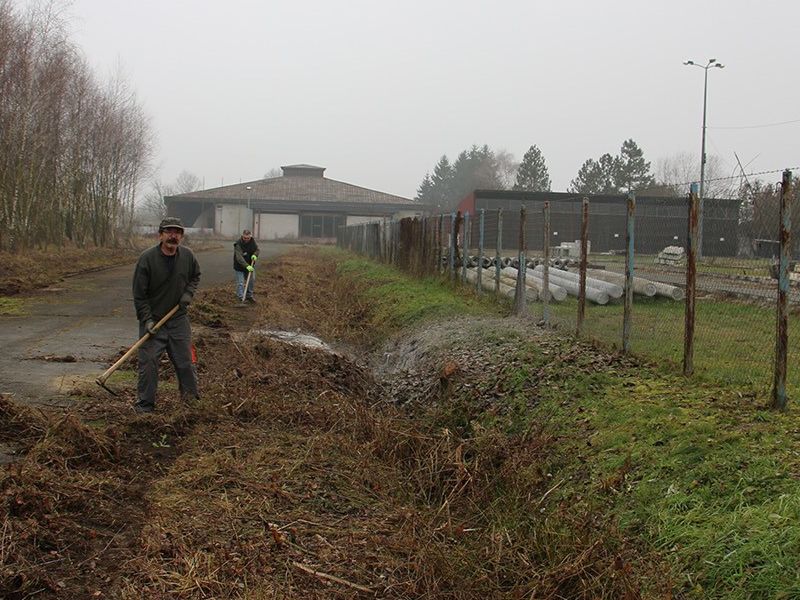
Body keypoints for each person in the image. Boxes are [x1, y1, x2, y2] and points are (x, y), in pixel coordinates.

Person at [131, 216, 201, 413]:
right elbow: (139, 294)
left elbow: (195, 276)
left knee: (185, 361)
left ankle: (191, 404)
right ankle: (145, 406)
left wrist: (188, 294)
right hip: (154, 320)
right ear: (160, 235)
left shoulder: (188, 256)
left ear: (182, 236)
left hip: (178, 319)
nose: (173, 236)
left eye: (177, 232)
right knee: (149, 363)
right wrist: (147, 320)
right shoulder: (147, 259)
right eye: (169, 231)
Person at [233, 229, 260, 303]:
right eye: (245, 238)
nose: (246, 240)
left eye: (248, 238)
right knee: (240, 283)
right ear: (242, 236)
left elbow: (257, 250)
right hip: (239, 266)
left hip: (250, 265)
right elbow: (239, 258)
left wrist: (255, 255)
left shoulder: (253, 242)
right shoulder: (238, 244)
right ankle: (241, 297)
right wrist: (247, 266)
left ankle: (249, 296)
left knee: (251, 280)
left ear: (250, 237)